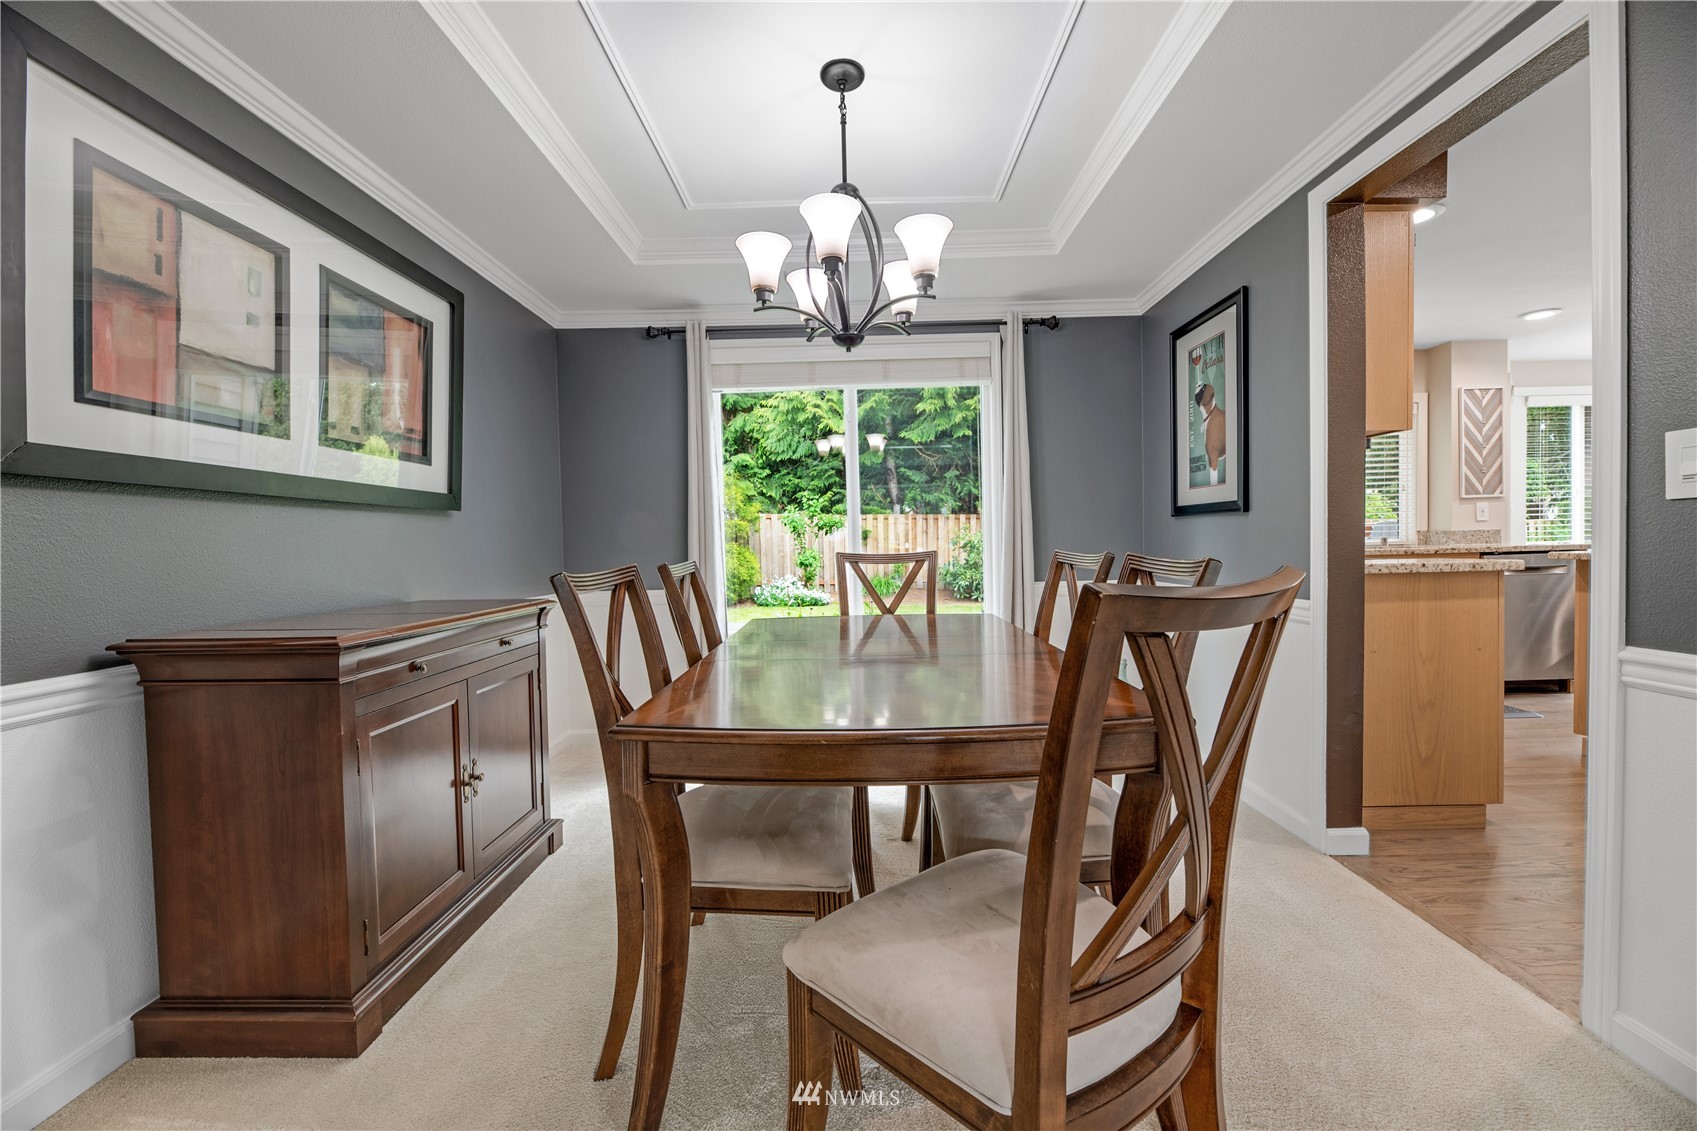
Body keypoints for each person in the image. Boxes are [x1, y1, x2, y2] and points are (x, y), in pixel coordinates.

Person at [1195, 382, 1227, 484]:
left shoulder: (1216, 421)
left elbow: (1213, 459)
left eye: (1202, 387)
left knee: (1213, 457)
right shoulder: (1209, 420)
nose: (1198, 386)